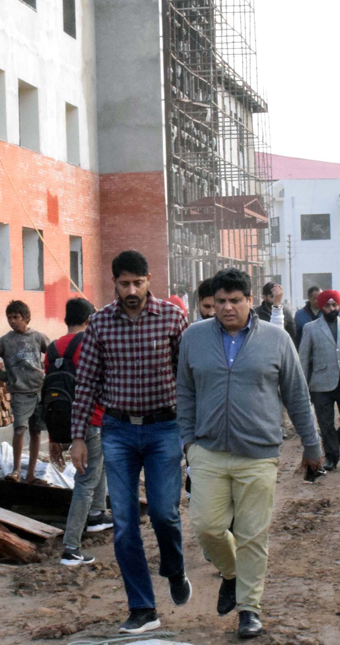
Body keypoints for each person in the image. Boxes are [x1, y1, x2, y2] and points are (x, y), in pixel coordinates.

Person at [178, 267, 322, 639]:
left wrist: (312, 446)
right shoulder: (194, 337)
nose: (227, 308)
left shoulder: (277, 339)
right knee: (206, 527)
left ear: (249, 301)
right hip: (207, 451)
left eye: (235, 300)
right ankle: (232, 574)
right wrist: (188, 442)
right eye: (220, 301)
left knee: (252, 535)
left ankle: (249, 609)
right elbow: (185, 392)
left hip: (258, 453)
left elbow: (297, 396)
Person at [71, 250, 190, 636]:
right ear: (115, 284)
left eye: (138, 283)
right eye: (125, 284)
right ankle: (142, 608)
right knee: (124, 523)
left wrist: (192, 433)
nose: (132, 290)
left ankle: (174, 568)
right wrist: (78, 437)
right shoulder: (100, 323)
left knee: (164, 513)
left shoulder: (172, 318)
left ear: (149, 280)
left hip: (164, 429)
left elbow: (188, 378)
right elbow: (86, 382)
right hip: (118, 431)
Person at [44, 298, 112, 567]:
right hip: (91, 420)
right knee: (85, 481)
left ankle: (96, 515)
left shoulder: (52, 349)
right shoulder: (90, 344)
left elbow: (49, 394)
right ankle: (71, 548)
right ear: (89, 319)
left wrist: (53, 437)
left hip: (62, 421)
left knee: (97, 465)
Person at [0, 300, 49, 483]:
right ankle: (16, 470)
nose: (12, 321)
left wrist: (48, 374)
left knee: (36, 432)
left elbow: (53, 354)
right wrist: (6, 377)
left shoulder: (38, 337)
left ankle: (30, 474)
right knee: (20, 429)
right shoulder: (4, 341)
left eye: (16, 317)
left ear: (26, 318)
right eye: (9, 318)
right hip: (20, 393)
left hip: (39, 390)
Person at [298, 289, 340, 471]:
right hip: (321, 384)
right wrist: (301, 386)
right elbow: (303, 358)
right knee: (326, 424)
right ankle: (331, 457)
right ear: (321, 307)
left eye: (334, 305)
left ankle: (335, 443)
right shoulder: (311, 328)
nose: (332, 309)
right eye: (328, 306)